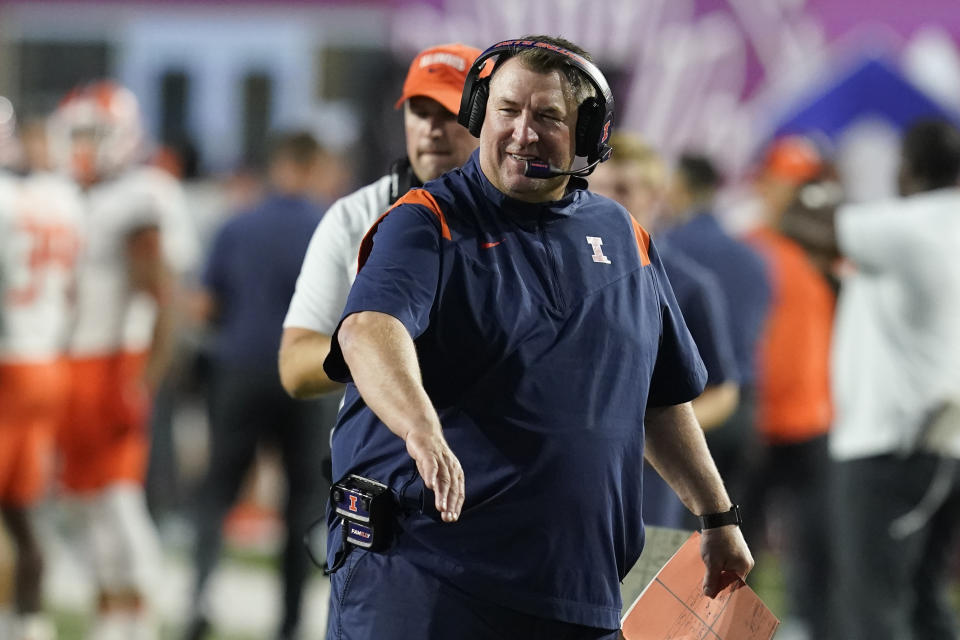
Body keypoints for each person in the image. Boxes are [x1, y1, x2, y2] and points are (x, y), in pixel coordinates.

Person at [320, 35, 753, 639]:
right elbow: (370, 329)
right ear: (479, 114)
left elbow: (658, 397)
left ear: (588, 132)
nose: (522, 132)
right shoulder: (427, 221)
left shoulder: (625, 235)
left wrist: (717, 515)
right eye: (506, 110)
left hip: (580, 592)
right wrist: (420, 428)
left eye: (547, 116)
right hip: (424, 584)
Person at [49, 80, 198, 640]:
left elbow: (164, 297)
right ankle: (110, 614)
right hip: (70, 363)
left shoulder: (143, 193)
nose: (84, 145)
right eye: (78, 133)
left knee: (115, 500)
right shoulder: (69, 193)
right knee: (84, 501)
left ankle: (138, 621)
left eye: (95, 133)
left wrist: (143, 379)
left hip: (113, 362)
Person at [182, 131, 332, 640]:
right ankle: (289, 623)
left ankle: (199, 599)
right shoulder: (330, 228)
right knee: (301, 504)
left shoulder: (237, 224)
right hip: (307, 380)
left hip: (241, 369)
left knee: (217, 492)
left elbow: (203, 305)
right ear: (313, 168)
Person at [279, 42, 483, 399]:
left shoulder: (520, 214)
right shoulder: (355, 214)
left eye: (450, 112)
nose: (431, 129)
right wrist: (376, 345)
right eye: (419, 111)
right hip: (383, 451)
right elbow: (294, 366)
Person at [830, 118, 960, 640]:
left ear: (906, 170)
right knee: (925, 599)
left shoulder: (903, 225)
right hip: (944, 437)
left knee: (874, 607)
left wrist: (817, 187)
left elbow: (801, 220)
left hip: (890, 442)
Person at [588, 132, 740, 529]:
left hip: (652, 492)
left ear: (656, 196)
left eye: (622, 189)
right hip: (571, 483)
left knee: (641, 588)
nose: (607, 200)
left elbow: (722, 391)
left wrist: (651, 436)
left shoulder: (688, 285)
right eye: (597, 187)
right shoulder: (558, 270)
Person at [742, 135, 836, 640]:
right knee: (740, 547)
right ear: (764, 183)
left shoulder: (834, 254)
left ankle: (813, 630)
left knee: (817, 550)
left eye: (805, 186)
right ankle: (737, 632)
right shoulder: (748, 249)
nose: (796, 196)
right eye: (787, 184)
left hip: (813, 421)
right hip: (757, 419)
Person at [0, 102, 83, 640]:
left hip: (8, 363)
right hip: (51, 361)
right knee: (22, 506)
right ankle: (29, 621)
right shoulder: (66, 199)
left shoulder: (7, 200)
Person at [661, 154, 772, 502]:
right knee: (734, 534)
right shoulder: (755, 259)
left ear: (678, 188)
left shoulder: (662, 251)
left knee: (675, 541)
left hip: (683, 411)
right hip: (742, 409)